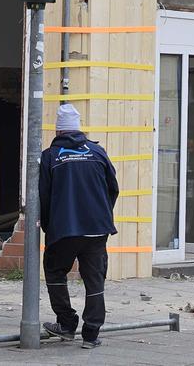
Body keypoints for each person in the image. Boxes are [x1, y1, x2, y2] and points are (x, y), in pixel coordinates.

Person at [38, 104, 119, 349]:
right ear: (79, 128)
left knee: (54, 270)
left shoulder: (51, 156)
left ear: (58, 131)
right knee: (94, 280)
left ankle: (66, 323)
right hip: (97, 228)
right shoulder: (97, 151)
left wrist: (49, 227)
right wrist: (101, 214)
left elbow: (44, 194)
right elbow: (113, 188)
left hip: (64, 228)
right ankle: (91, 334)